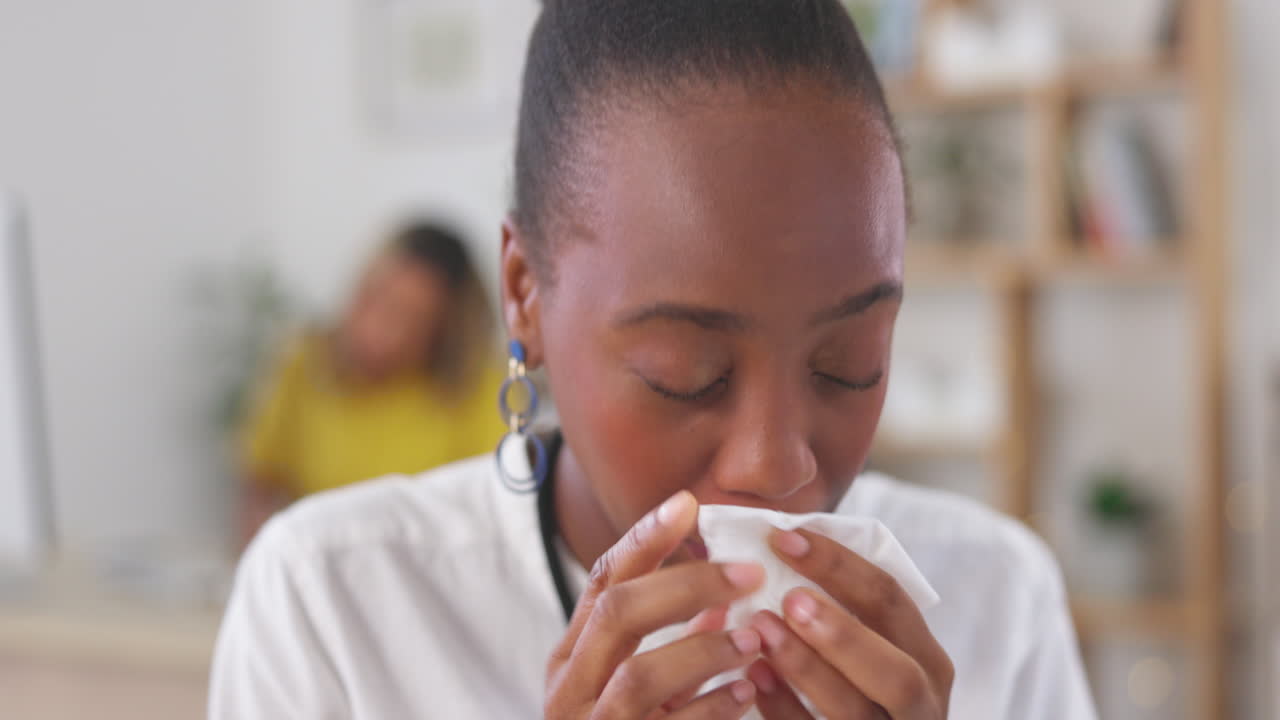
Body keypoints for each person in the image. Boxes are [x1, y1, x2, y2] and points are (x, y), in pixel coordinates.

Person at [210, 2, 1097, 718]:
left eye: (847, 361)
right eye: (689, 373)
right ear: (525, 293)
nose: (776, 464)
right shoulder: (335, 602)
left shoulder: (992, 599)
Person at [236, 221, 504, 545]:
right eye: (374, 299)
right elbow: (260, 483)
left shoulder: (477, 388)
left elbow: (488, 517)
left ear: (442, 336)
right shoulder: (304, 361)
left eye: (408, 319)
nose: (377, 331)